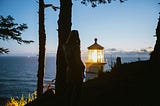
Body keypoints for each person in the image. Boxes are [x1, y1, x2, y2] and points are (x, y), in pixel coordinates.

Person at [63, 30, 85, 106]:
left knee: (70, 89)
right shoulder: (76, 46)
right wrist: (83, 66)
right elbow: (77, 59)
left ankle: (67, 103)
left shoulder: (65, 46)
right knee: (79, 90)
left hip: (69, 69)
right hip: (76, 69)